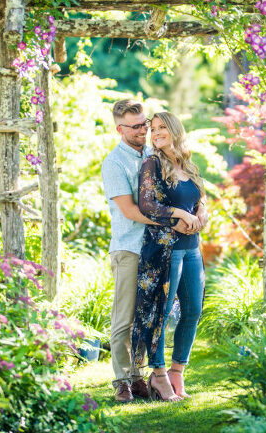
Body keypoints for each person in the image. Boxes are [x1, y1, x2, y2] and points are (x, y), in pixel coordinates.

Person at [101, 100, 194, 403]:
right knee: (125, 317)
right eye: (136, 127)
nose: (143, 131)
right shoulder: (114, 163)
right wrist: (173, 220)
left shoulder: (155, 155)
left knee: (149, 314)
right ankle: (122, 381)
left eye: (145, 124)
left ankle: (139, 377)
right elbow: (130, 210)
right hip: (130, 247)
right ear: (120, 129)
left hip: (158, 247)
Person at [131, 111, 207, 402]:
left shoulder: (187, 164)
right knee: (160, 313)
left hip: (192, 248)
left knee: (193, 310)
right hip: (166, 249)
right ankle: (159, 374)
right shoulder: (152, 163)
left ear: (175, 130)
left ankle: (177, 372)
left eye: (162, 127)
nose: (156, 133)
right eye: (153, 129)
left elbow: (199, 198)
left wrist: (202, 211)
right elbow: (147, 204)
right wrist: (179, 214)